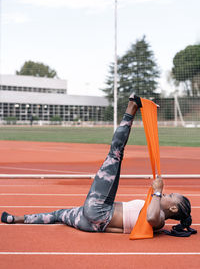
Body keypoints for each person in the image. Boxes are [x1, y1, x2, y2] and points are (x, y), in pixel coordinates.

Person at [1, 95, 197, 237]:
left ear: (172, 208)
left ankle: (131, 107)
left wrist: (157, 192)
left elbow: (152, 218)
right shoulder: (159, 217)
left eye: (170, 196)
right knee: (57, 215)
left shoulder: (160, 218)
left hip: (99, 210)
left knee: (115, 154)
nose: (166, 193)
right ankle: (17, 219)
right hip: (92, 223)